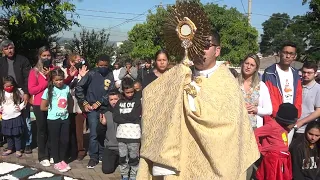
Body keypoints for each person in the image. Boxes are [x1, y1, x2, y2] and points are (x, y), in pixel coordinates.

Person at [137, 31, 259, 179]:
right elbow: (151, 97)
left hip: (216, 163)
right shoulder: (178, 76)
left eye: (206, 45)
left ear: (217, 51)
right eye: (196, 45)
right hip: (182, 159)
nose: (199, 50)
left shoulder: (228, 84)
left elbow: (232, 127)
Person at [75, 54, 115, 169]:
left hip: (105, 108)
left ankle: (102, 154)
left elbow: (111, 91)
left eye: (105, 65)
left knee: (103, 132)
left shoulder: (110, 75)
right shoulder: (91, 74)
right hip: (92, 109)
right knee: (93, 133)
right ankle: (93, 157)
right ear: (97, 65)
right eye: (101, 65)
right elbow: (79, 87)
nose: (103, 67)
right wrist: (84, 102)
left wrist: (101, 101)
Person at [262, 41, 302, 145]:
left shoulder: (296, 73)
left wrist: (295, 117)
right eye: (285, 52)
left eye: (291, 54)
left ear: (295, 56)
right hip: (275, 120)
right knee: (273, 151)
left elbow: (298, 96)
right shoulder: (270, 72)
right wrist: (275, 118)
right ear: (280, 53)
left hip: (290, 121)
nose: (288, 56)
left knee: (285, 151)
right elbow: (268, 96)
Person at [0, 40, 32, 154]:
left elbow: (28, 77)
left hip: (21, 92)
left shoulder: (22, 60)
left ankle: (27, 143)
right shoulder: (1, 62)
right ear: (2, 51)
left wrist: (27, 92)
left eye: (11, 48)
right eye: (6, 48)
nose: (9, 50)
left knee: (26, 119)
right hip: (6, 93)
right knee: (9, 119)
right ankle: (11, 145)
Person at [254, 103, 298, 180]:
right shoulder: (272, 125)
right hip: (273, 159)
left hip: (282, 158)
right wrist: (260, 149)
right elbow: (255, 134)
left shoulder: (284, 127)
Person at [40, 68, 72, 172]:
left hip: (65, 119)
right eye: (57, 80)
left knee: (65, 140)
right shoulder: (49, 90)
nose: (59, 82)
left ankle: (62, 159)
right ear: (52, 80)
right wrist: (52, 110)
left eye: (61, 79)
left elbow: (70, 102)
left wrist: (68, 111)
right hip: (53, 120)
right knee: (55, 141)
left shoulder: (67, 88)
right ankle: (57, 161)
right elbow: (42, 107)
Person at [28, 46, 55, 167]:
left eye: (48, 55)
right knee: (42, 130)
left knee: (52, 130)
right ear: (39, 56)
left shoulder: (55, 69)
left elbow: (61, 83)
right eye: (44, 55)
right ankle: (43, 155)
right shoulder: (34, 71)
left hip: (53, 103)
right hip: (39, 104)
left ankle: (52, 153)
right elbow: (32, 90)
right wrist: (45, 81)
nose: (46, 58)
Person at [113, 77, 142, 180]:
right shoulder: (119, 102)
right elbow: (115, 117)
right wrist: (128, 118)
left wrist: (124, 117)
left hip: (134, 135)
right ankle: (124, 175)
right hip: (121, 135)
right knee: (123, 157)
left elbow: (135, 115)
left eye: (131, 92)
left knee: (134, 157)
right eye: (127, 92)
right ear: (123, 91)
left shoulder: (137, 101)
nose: (130, 94)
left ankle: (133, 175)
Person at [62, 53, 88, 161]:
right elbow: (62, 84)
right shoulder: (63, 72)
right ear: (71, 62)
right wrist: (71, 76)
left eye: (80, 60)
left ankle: (80, 150)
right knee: (68, 129)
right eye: (76, 60)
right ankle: (69, 149)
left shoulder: (84, 72)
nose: (79, 62)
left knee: (78, 129)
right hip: (66, 103)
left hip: (78, 104)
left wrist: (82, 76)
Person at [238, 54, 272, 129]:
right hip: (235, 126)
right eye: (246, 63)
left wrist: (256, 109)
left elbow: (269, 110)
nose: (248, 67)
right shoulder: (234, 82)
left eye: (252, 65)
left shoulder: (261, 86)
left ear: (256, 68)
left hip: (253, 128)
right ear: (242, 64)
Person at [0, 76, 26, 157]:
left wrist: (21, 107)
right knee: (8, 135)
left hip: (16, 116)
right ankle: (10, 149)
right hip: (5, 117)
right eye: (7, 86)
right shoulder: (1, 93)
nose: (9, 88)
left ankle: (18, 150)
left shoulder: (18, 92)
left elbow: (25, 101)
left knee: (16, 135)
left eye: (11, 86)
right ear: (3, 86)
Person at [97, 89, 121, 174]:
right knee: (107, 170)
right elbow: (99, 134)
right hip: (110, 147)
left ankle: (119, 159)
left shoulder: (125, 111)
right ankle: (115, 160)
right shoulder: (105, 113)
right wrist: (102, 125)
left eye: (116, 99)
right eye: (111, 100)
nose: (114, 102)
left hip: (124, 146)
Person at [294, 62, 320, 140]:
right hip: (291, 126)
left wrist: (301, 122)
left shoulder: (318, 89)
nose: (305, 75)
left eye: (309, 73)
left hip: (306, 130)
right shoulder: (296, 86)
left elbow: (318, 111)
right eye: (304, 72)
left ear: (315, 74)